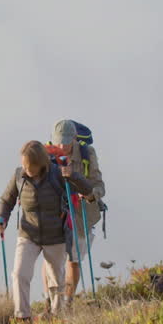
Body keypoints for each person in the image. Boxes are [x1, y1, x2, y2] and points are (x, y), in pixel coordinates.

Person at [0, 140, 95, 321]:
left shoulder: (58, 174)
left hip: (55, 235)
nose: (26, 168)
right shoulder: (19, 176)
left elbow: (87, 190)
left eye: (29, 165)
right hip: (28, 234)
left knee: (56, 281)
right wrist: (1, 218)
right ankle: (22, 318)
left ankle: (57, 317)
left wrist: (72, 175)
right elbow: (6, 200)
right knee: (19, 274)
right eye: (23, 164)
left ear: (41, 163)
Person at [46, 120, 107, 304]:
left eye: (66, 141)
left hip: (81, 214)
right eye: (59, 141)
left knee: (74, 259)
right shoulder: (46, 155)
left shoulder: (87, 154)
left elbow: (99, 185)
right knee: (51, 259)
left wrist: (89, 194)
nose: (62, 145)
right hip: (55, 212)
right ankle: (50, 303)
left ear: (74, 138)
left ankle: (68, 302)